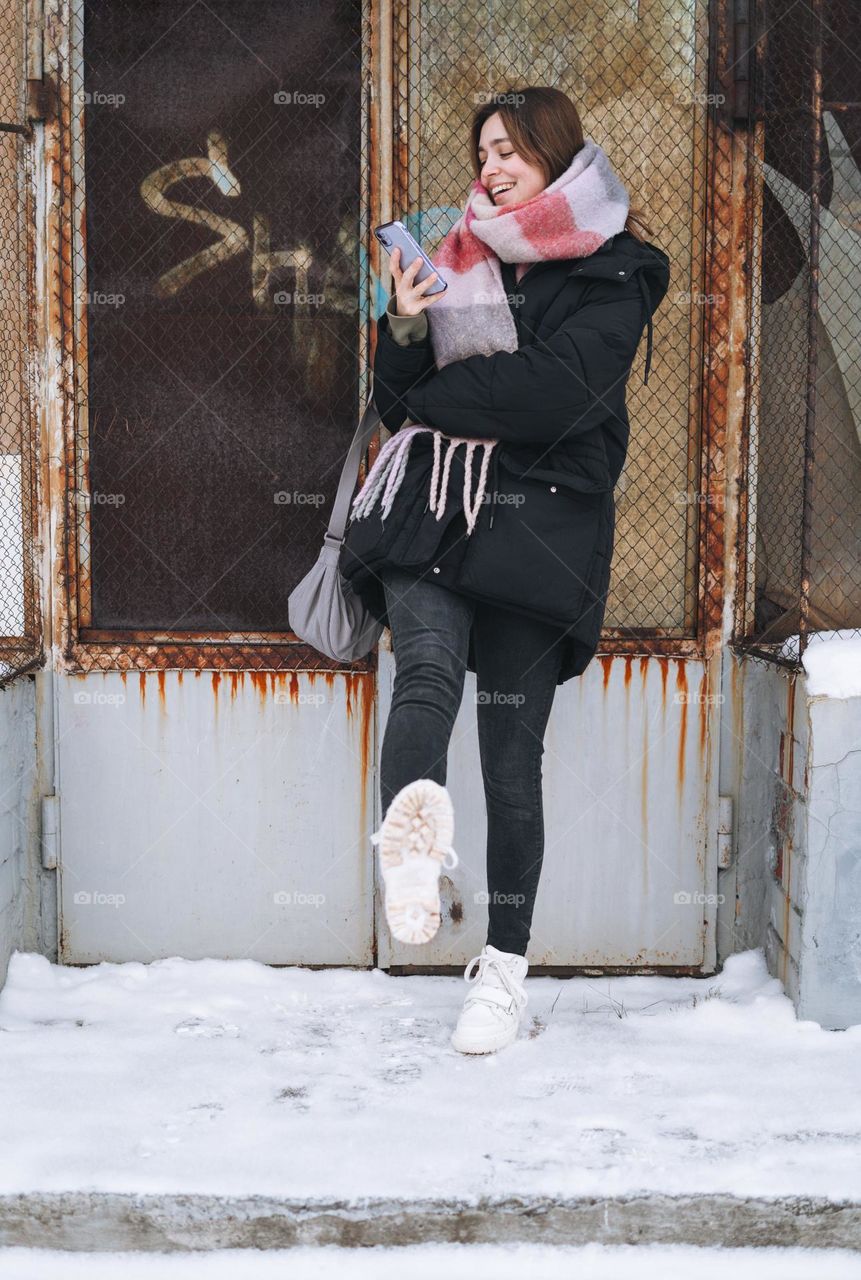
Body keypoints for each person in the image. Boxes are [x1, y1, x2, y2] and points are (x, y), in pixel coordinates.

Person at [341, 86, 671, 1055]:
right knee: (428, 671)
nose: (489, 167)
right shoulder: (452, 254)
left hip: (543, 528)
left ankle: (504, 971)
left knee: (510, 757)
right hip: (436, 506)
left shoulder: (620, 267)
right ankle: (413, 856)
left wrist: (442, 388)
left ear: (557, 155)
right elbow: (397, 401)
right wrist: (403, 329)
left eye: (509, 149)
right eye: (481, 150)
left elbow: (561, 395)